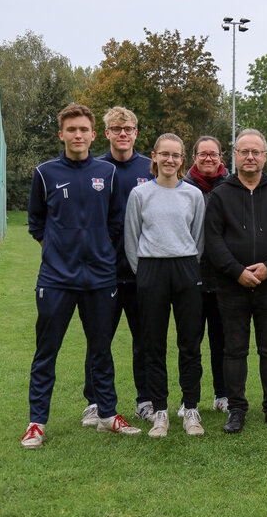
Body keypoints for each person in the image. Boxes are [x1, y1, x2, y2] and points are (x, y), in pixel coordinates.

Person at [22, 103, 141, 448]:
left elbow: (116, 222)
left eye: (83, 130)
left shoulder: (107, 172)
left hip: (101, 279)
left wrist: (99, 250)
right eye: (71, 130)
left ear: (92, 134)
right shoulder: (45, 173)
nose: (77, 135)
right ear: (61, 134)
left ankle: (107, 414)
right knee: (46, 351)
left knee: (101, 350)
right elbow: (35, 222)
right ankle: (36, 423)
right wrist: (58, 252)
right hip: (56, 281)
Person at [205, 129, 267, 434]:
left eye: (256, 152)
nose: (250, 157)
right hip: (232, 287)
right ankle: (237, 409)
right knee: (234, 350)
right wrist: (237, 271)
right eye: (244, 151)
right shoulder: (220, 194)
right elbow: (213, 240)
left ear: (265, 156)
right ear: (235, 155)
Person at [125, 133, 205, 437]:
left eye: (176, 155)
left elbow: (198, 238)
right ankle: (160, 412)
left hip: (185, 268)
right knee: (153, 343)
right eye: (164, 154)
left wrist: (187, 266)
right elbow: (131, 239)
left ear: (183, 159)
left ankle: (190, 409)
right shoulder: (140, 194)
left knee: (190, 343)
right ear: (154, 157)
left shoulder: (193, 195)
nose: (170, 160)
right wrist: (144, 271)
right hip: (151, 270)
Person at [82, 106, 154, 427]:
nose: (122, 134)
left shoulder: (149, 168)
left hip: (142, 274)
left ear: (136, 133)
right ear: (107, 133)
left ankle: (146, 400)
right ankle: (95, 403)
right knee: (99, 341)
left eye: (128, 129)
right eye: (116, 128)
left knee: (145, 341)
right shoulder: (93, 168)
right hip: (103, 274)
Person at [182, 136, 229, 414]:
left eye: (213, 154)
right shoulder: (182, 187)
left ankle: (222, 395)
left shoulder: (232, 185)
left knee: (223, 341)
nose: (208, 158)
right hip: (191, 277)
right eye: (203, 154)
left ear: (221, 157)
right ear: (194, 158)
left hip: (224, 277)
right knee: (190, 341)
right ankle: (189, 399)